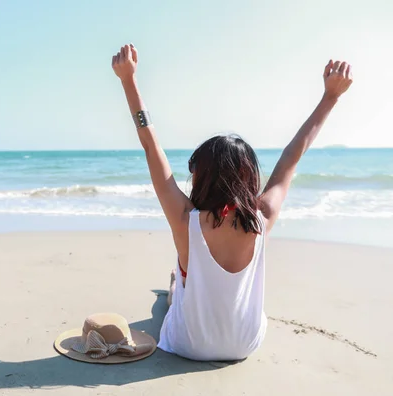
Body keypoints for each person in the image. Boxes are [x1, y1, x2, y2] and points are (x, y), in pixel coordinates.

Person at [111, 44, 353, 361]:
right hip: (245, 345)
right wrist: (330, 98)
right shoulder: (262, 216)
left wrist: (128, 80)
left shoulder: (186, 220)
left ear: (202, 175)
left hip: (188, 346)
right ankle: (176, 284)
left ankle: (175, 285)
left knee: (177, 293)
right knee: (183, 287)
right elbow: (294, 155)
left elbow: (149, 142)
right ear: (249, 175)